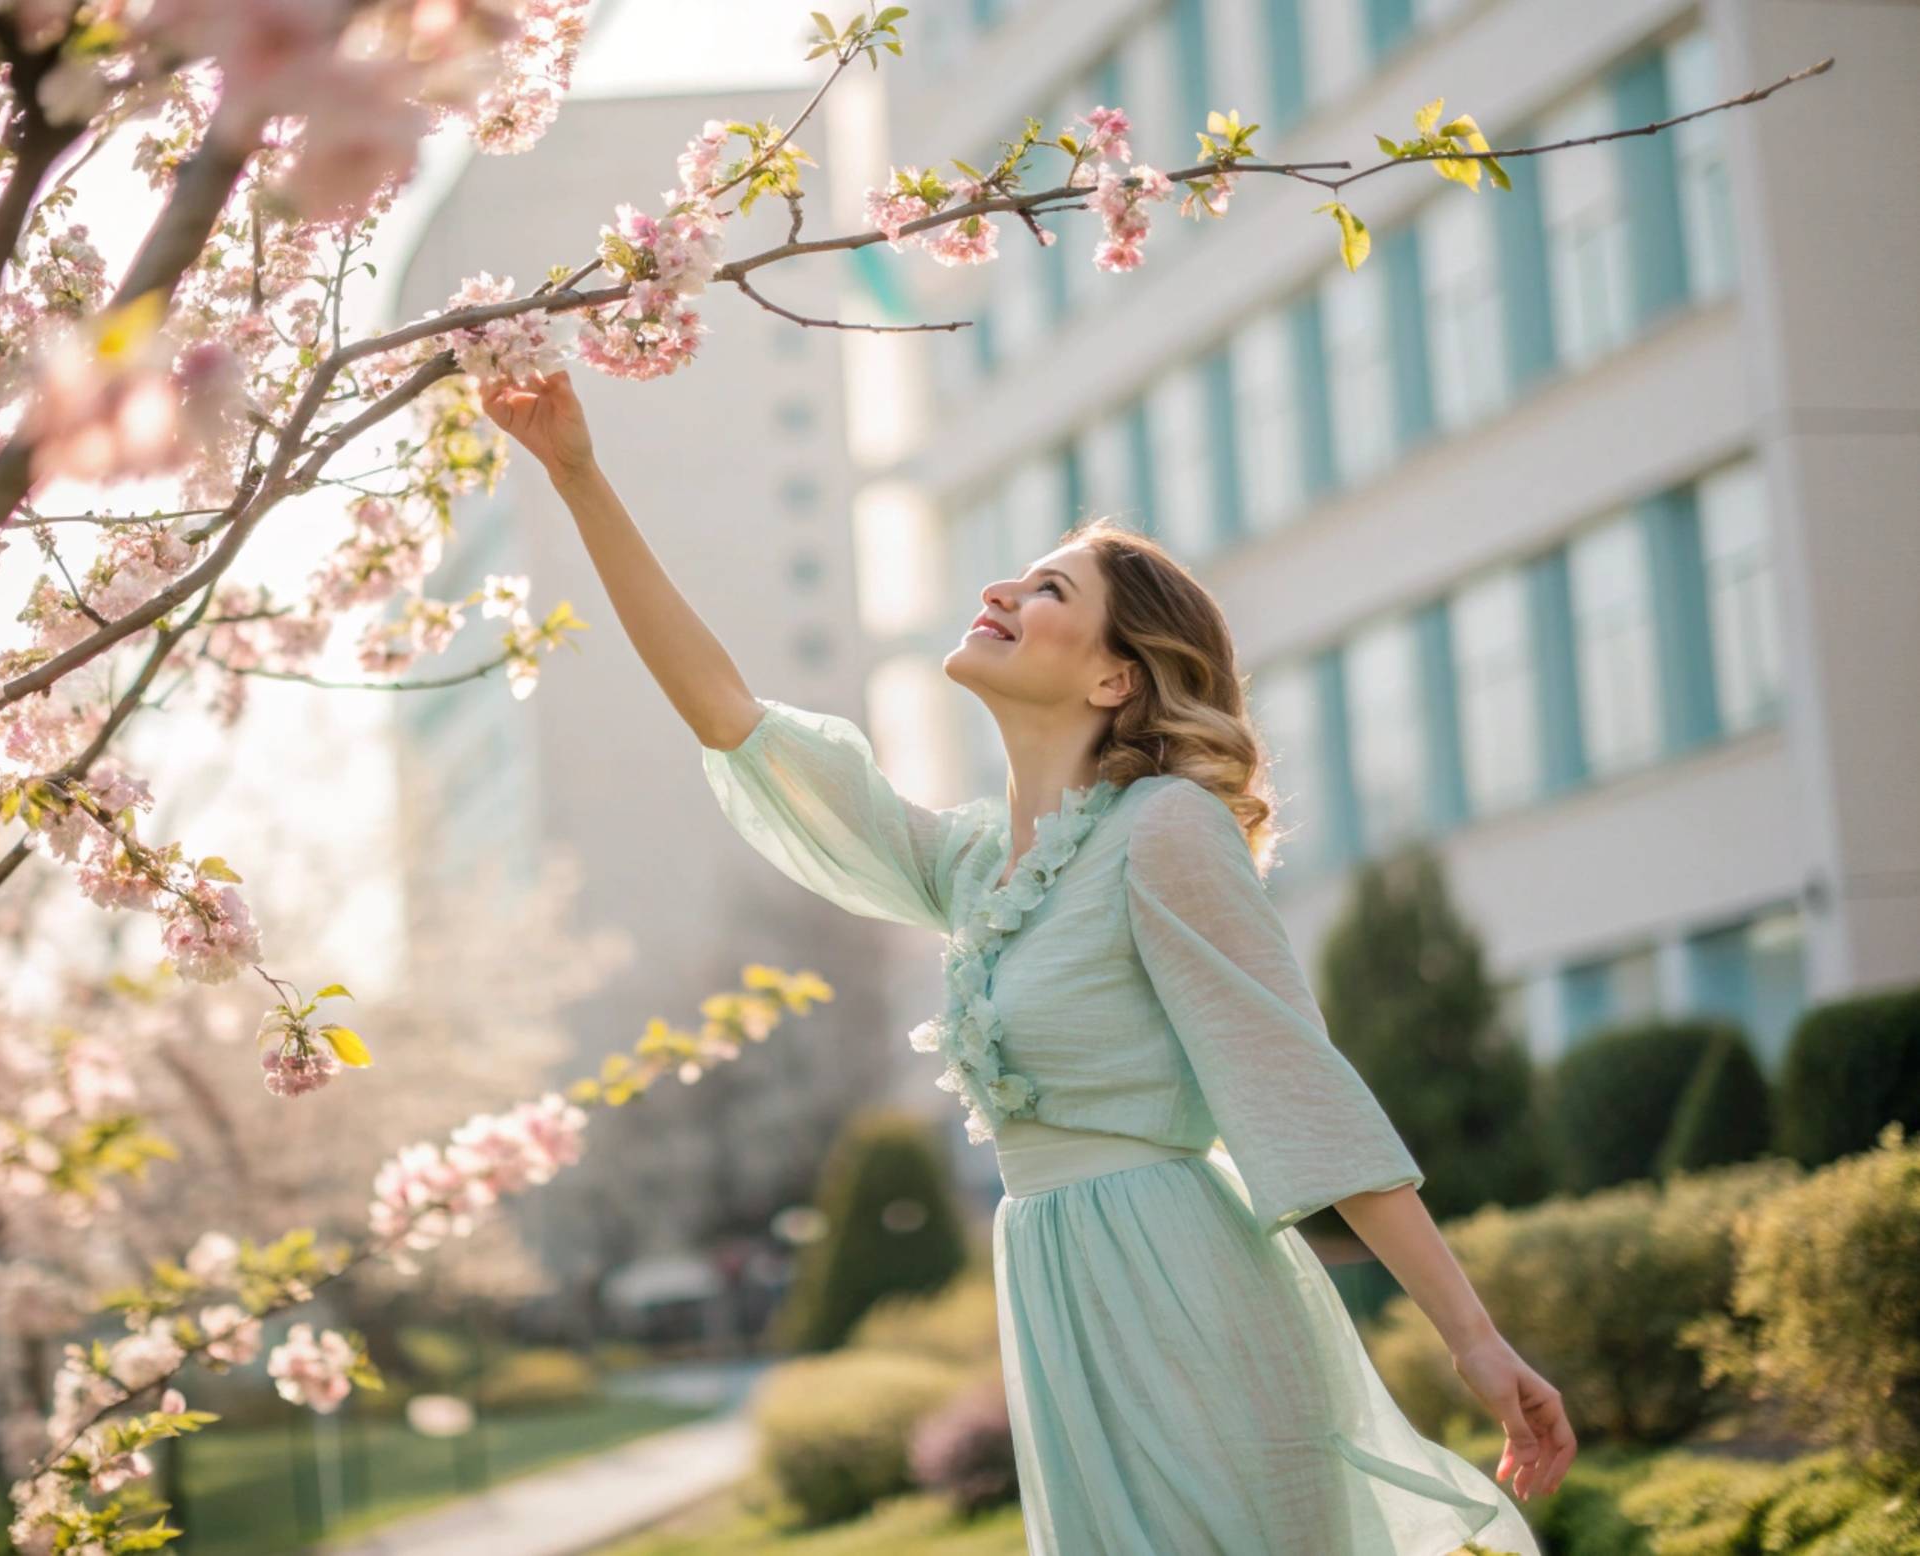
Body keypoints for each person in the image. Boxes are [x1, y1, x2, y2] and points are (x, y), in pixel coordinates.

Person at [487, 366, 1574, 1554]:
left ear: (1116, 676)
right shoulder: (967, 866)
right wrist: (578, 477)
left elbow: (1296, 1086)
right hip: (1057, 1292)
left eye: (1049, 586)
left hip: (1180, 1289)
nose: (999, 588)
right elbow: (726, 714)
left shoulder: (1164, 829)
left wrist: (1471, 1336)